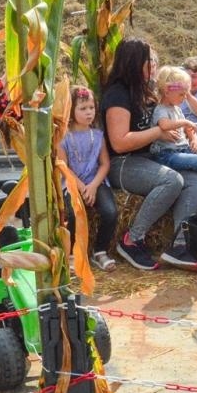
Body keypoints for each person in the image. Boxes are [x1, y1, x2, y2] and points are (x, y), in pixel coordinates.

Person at [101, 37, 197, 271]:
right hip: (123, 163)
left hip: (152, 158)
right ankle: (132, 239)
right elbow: (119, 143)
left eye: (155, 62)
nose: (154, 66)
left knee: (193, 180)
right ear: (133, 62)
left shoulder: (147, 91)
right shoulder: (118, 95)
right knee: (172, 180)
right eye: (150, 62)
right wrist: (158, 131)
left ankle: (178, 245)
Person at [62, 86, 117, 270]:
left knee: (110, 212)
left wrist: (93, 186)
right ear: (71, 110)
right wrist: (81, 186)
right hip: (72, 183)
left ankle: (99, 251)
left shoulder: (98, 135)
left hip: (95, 181)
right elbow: (63, 166)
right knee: (71, 214)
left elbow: (105, 164)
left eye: (91, 108)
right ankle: (71, 253)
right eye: (83, 109)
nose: (88, 113)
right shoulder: (64, 137)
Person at [148, 66, 197, 180]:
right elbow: (164, 125)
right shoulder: (160, 109)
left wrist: (194, 140)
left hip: (183, 149)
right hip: (167, 154)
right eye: (181, 94)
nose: (185, 97)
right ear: (167, 92)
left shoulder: (177, 109)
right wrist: (185, 122)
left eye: (186, 94)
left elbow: (188, 129)